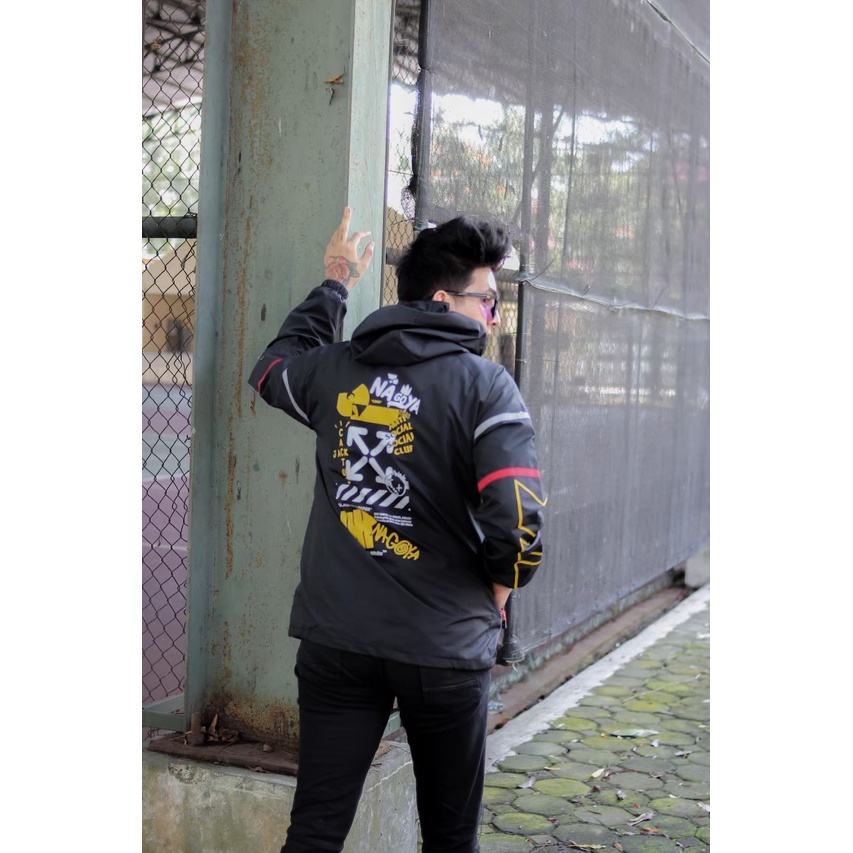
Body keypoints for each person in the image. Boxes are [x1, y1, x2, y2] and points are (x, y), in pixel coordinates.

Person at [248, 207, 546, 853]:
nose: (494, 318)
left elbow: (272, 369)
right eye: (488, 301)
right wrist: (501, 587)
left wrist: (335, 281)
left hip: (338, 640)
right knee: (449, 837)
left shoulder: (335, 370)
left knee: (315, 829)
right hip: (444, 644)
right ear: (442, 301)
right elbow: (519, 517)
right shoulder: (485, 386)